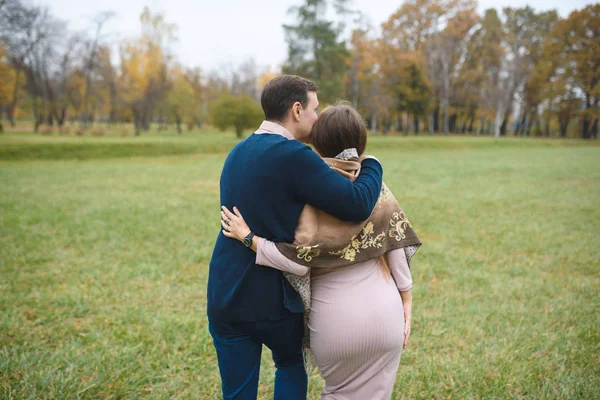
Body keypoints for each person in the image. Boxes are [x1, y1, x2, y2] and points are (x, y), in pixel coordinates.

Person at [220, 103, 421, 400]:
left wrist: (249, 238)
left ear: (315, 142)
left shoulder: (308, 196)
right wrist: (406, 298)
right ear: (361, 140)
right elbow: (394, 245)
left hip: (335, 320)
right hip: (386, 314)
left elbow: (296, 260)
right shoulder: (377, 188)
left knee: (338, 393)